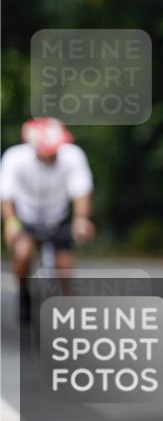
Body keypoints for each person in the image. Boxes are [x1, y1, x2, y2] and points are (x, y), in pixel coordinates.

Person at [1, 117, 95, 321]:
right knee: (23, 254)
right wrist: (11, 223)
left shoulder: (72, 156)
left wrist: (81, 219)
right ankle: (24, 292)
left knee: (65, 265)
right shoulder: (15, 158)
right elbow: (6, 196)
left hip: (57, 216)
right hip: (26, 217)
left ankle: (67, 310)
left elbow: (81, 191)